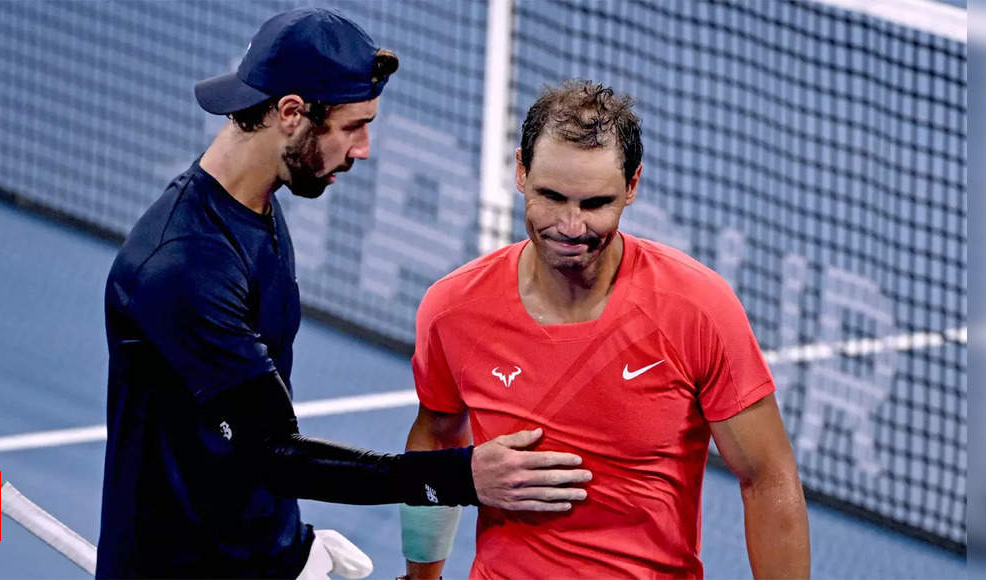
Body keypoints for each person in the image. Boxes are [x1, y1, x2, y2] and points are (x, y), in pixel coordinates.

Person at [96, 9, 591, 579]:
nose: (364, 149)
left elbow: (245, 441)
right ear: (290, 113)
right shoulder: (184, 267)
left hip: (258, 555)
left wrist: (291, 547)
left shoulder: (254, 211)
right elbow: (272, 452)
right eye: (354, 126)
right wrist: (461, 476)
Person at [400, 80, 811, 579]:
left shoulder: (697, 309)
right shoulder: (453, 309)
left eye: (595, 204)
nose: (571, 227)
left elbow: (767, 478)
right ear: (520, 172)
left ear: (632, 186)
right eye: (552, 197)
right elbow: (436, 444)